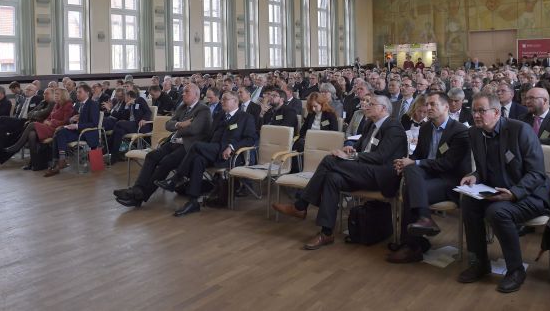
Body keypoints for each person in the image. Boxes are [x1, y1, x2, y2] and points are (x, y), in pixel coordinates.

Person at [272, 95, 407, 250]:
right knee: (332, 178)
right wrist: (351, 148)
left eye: (372, 104)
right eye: (367, 103)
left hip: (383, 176)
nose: (367, 106)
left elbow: (381, 156)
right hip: (365, 171)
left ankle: (301, 205)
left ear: (383, 108)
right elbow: (362, 145)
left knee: (330, 160)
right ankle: (326, 232)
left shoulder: (394, 127)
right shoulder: (371, 124)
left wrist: (352, 155)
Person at [458, 92, 550, 293]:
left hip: (529, 194)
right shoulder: (475, 133)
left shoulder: (520, 131)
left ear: (497, 112)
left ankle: (516, 270)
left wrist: (514, 193)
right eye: (474, 111)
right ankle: (480, 263)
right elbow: (484, 169)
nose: (476, 115)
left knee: (497, 212)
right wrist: (475, 176)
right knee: (468, 203)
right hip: (496, 190)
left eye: (481, 111)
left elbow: (537, 174)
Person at [388, 92, 471, 263]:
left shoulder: (460, 131)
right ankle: (421, 228)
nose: (428, 108)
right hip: (427, 176)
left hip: (450, 181)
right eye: (427, 104)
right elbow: (417, 155)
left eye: (433, 104)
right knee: (410, 171)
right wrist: (406, 162)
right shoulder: (425, 128)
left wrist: (413, 163)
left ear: (446, 107)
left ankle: (411, 245)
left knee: (410, 186)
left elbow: (448, 165)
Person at [155, 91, 257, 217]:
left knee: (196, 145)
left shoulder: (245, 117)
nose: (222, 101)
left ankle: (177, 178)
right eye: (222, 99)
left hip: (230, 155)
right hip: (213, 151)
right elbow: (209, 135)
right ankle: (193, 202)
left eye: (225, 99)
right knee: (198, 159)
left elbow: (250, 139)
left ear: (235, 101)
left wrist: (231, 147)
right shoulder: (219, 115)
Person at [113, 83, 212, 208]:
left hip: (188, 147)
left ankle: (141, 196)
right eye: (183, 91)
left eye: (187, 92)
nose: (183, 93)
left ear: (196, 95)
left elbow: (194, 129)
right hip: (173, 142)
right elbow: (168, 124)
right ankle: (137, 189)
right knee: (151, 156)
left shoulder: (203, 109)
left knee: (166, 162)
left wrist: (178, 126)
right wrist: (180, 124)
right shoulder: (182, 107)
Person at [0, 87, 54, 168]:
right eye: (44, 93)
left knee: (12, 136)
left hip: (36, 127)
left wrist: (36, 114)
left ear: (53, 95)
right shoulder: (42, 102)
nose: (44, 95)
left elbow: (42, 115)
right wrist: (36, 114)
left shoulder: (51, 103)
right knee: (8, 132)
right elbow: (30, 113)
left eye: (47, 93)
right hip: (28, 124)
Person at [45, 84, 100, 177]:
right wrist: (71, 120)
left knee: (60, 133)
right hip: (77, 131)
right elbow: (71, 118)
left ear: (87, 93)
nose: (77, 94)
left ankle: (59, 162)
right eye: (77, 92)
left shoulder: (92, 104)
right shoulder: (78, 104)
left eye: (80, 92)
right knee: (58, 132)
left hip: (87, 132)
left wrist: (77, 126)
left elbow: (94, 123)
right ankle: (59, 161)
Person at [108, 89, 153, 162]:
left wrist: (144, 119)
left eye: (125, 97)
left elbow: (148, 111)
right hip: (131, 125)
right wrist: (126, 107)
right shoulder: (128, 105)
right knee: (119, 131)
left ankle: (108, 148)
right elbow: (123, 117)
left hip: (140, 125)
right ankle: (114, 157)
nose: (124, 98)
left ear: (129, 96)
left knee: (119, 123)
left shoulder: (139, 100)